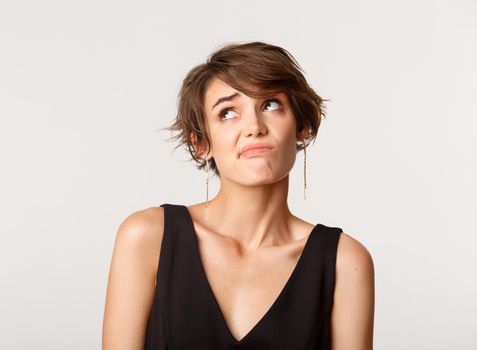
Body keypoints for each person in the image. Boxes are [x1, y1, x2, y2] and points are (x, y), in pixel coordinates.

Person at [102, 41, 375, 350]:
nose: (254, 127)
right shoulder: (148, 237)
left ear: (302, 126)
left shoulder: (344, 261)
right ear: (200, 144)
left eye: (270, 104)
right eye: (228, 112)